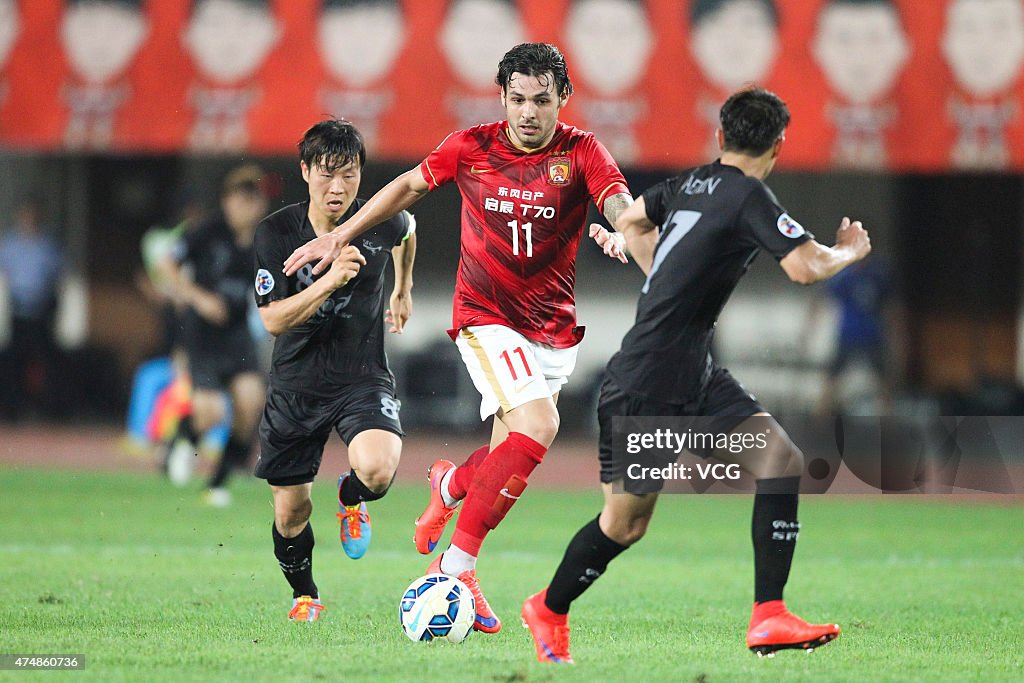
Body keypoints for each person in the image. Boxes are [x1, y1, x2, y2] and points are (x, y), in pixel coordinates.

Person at [281, 42, 633, 633]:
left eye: (541, 100)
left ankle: (451, 484)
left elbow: (621, 204)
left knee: (505, 459)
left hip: (549, 328)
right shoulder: (473, 146)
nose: (527, 112)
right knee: (541, 426)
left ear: (563, 99)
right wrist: (339, 235)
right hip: (485, 316)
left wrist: (628, 231)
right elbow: (408, 188)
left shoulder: (582, 152)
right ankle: (455, 566)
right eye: (517, 99)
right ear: (501, 98)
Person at [520, 87, 872, 663]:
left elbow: (632, 219)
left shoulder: (690, 183)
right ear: (779, 144)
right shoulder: (748, 195)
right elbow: (807, 267)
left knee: (779, 462)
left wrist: (666, 275)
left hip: (693, 374)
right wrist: (847, 252)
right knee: (624, 526)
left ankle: (769, 616)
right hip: (648, 383)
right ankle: (549, 607)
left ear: (720, 137)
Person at [253, 119, 416, 622]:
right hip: (296, 386)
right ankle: (306, 594)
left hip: (360, 376)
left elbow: (408, 230)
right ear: (304, 172)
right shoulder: (277, 233)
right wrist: (329, 281)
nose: (338, 188)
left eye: (349, 175)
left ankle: (351, 497)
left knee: (379, 468)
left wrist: (402, 287)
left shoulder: (378, 220)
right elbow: (273, 320)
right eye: (327, 175)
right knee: (291, 512)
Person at [160, 163, 269, 506]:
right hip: (203, 333)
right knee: (211, 412)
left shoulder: (267, 238)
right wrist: (198, 297)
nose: (246, 206)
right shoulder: (207, 231)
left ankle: (218, 482)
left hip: (238, 333)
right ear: (226, 201)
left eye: (253, 199)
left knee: (251, 404)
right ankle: (184, 439)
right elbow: (167, 262)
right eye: (240, 198)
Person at [0, 198, 66, 421]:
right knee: (14, 361)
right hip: (18, 309)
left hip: (42, 310)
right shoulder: (10, 244)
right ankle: (13, 409)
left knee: (46, 361)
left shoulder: (48, 245)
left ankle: (48, 410)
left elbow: (59, 275)